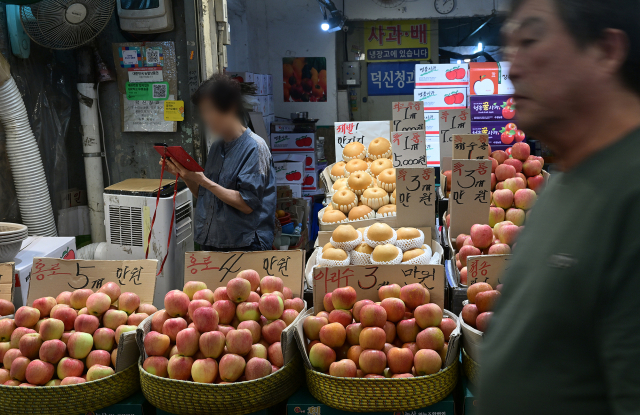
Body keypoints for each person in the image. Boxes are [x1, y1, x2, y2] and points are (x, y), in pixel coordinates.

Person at [479, 0, 640, 414]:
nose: (512, 68)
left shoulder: (630, 191)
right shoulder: (564, 179)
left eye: (531, 40)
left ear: (606, 51)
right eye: (510, 49)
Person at [161, 74, 276, 251]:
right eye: (203, 112)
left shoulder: (255, 148)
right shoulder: (217, 147)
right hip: (213, 242)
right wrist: (185, 175)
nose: (205, 118)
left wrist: (203, 180)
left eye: (209, 110)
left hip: (244, 247)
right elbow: (206, 195)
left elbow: (247, 204)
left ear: (230, 108)